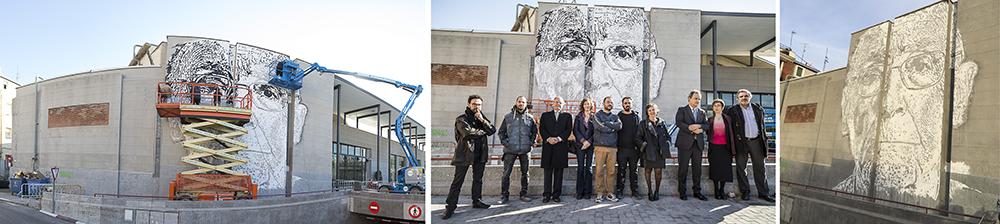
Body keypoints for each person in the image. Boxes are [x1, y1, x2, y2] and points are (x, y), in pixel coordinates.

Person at [442, 95, 496, 220]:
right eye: (474, 104)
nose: (477, 107)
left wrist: (482, 120)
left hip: (480, 154)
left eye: (479, 104)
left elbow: (492, 130)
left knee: (478, 179)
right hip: (464, 154)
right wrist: (483, 132)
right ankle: (450, 207)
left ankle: (476, 201)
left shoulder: (481, 117)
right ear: (469, 104)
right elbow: (467, 133)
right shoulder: (461, 118)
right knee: (457, 182)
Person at [724, 89, 775, 202]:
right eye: (741, 96)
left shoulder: (758, 109)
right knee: (741, 168)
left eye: (746, 96)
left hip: (756, 141)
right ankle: (745, 192)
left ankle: (763, 193)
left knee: (760, 168)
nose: (744, 98)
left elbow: (762, 125)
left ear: (750, 97)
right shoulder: (732, 110)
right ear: (738, 98)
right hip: (741, 142)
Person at [497, 96, 537, 204]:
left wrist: (531, 144)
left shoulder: (530, 118)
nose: (521, 104)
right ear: (516, 103)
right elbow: (501, 132)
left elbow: (535, 133)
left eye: (523, 102)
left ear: (525, 104)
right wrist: (506, 143)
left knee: (525, 173)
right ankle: (504, 196)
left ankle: (523, 194)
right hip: (510, 150)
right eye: (519, 102)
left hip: (525, 150)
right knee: (506, 173)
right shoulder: (508, 117)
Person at [674, 90, 708, 201]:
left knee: (697, 170)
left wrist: (699, 126)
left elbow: (707, 125)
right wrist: (690, 128)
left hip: (697, 145)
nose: (697, 100)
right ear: (689, 98)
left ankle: (697, 191)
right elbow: (679, 123)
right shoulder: (682, 110)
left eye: (699, 99)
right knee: (683, 169)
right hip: (684, 144)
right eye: (695, 98)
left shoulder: (702, 112)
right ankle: (682, 192)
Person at [634, 103, 670, 201]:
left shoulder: (662, 123)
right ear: (647, 112)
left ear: (657, 111)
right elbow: (638, 138)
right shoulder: (643, 123)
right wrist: (644, 145)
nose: (652, 112)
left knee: (658, 172)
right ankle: (649, 191)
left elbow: (667, 136)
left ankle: (657, 191)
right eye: (650, 110)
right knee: (648, 171)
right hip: (648, 151)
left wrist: (666, 144)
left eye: (653, 109)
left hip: (659, 152)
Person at [539, 96, 573, 203]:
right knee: (547, 172)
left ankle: (556, 195)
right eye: (556, 102)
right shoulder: (545, 115)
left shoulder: (567, 116)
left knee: (559, 173)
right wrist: (548, 138)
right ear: (552, 104)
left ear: (563, 105)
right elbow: (542, 129)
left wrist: (558, 139)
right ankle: (546, 195)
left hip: (561, 147)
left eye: (560, 102)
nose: (557, 104)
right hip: (548, 146)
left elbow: (568, 130)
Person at [591, 96, 622, 203]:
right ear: (603, 103)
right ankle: (599, 193)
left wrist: (608, 124)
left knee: (611, 172)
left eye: (611, 102)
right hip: (600, 147)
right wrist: (611, 128)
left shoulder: (615, 116)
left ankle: (609, 193)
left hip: (612, 148)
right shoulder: (597, 115)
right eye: (608, 102)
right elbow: (600, 127)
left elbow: (619, 126)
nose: (610, 104)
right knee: (599, 171)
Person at [705, 99, 735, 200]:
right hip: (714, 147)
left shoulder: (728, 119)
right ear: (713, 108)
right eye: (715, 106)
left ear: (722, 108)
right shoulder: (710, 120)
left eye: (719, 105)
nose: (717, 107)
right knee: (715, 169)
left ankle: (722, 190)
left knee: (724, 170)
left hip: (725, 147)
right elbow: (707, 133)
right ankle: (716, 191)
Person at [615, 97, 642, 200]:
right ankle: (619, 191)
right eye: (625, 103)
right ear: (622, 105)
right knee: (621, 171)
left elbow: (639, 133)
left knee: (634, 171)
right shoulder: (618, 116)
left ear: (631, 104)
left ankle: (635, 191)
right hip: (621, 149)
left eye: (629, 103)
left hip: (634, 150)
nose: (627, 105)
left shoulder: (636, 117)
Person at [573, 97, 596, 200]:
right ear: (583, 105)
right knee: (581, 167)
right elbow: (575, 130)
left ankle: (588, 192)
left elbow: (596, 132)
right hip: (580, 145)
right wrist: (583, 141)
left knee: (589, 168)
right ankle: (579, 191)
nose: (587, 106)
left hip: (590, 146)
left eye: (588, 104)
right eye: (585, 104)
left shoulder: (594, 117)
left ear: (591, 106)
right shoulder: (578, 117)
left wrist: (589, 142)